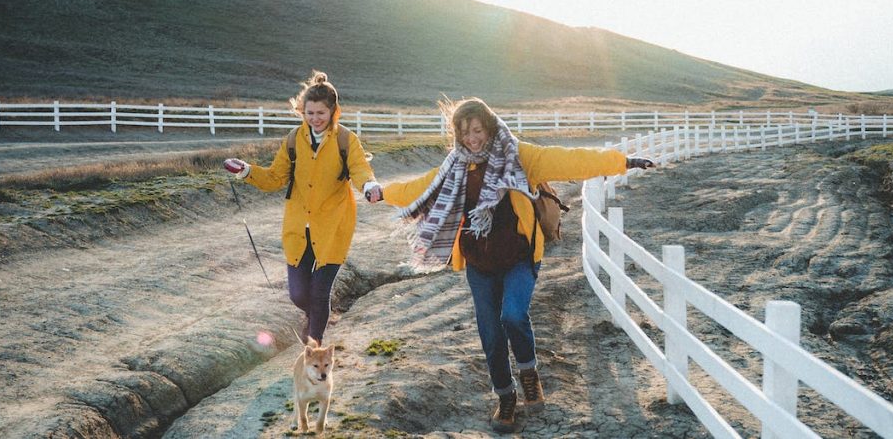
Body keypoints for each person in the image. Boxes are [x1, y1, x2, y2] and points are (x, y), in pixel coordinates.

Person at [368, 98, 654, 432]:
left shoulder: (518, 155)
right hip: (480, 263)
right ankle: (505, 398)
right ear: (457, 135)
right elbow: (418, 188)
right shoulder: (455, 166)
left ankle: (529, 372)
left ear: (488, 126)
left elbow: (569, 160)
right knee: (490, 335)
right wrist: (382, 193)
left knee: (513, 316)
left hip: (519, 258)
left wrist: (622, 161)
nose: (472, 138)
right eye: (464, 133)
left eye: (477, 130)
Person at [224, 70, 382, 343]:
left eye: (321, 113)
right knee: (299, 295)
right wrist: (247, 171)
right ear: (303, 111)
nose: (315, 119)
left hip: (332, 229)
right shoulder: (293, 140)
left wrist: (369, 186)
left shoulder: (346, 140)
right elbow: (275, 177)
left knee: (319, 293)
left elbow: (360, 170)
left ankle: (314, 346)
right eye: (310, 113)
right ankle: (317, 318)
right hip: (299, 229)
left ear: (333, 111)